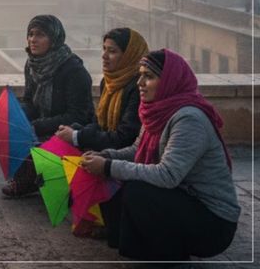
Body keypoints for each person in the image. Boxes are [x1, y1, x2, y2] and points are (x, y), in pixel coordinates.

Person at [82, 49, 239, 261]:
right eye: (140, 75)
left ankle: (168, 254)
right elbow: (137, 150)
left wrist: (108, 166)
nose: (140, 83)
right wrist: (107, 156)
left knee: (138, 191)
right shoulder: (158, 110)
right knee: (116, 178)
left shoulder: (189, 119)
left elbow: (167, 174)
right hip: (185, 200)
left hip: (213, 222)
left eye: (149, 76)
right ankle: (127, 239)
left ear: (169, 81)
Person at [0, 15, 94, 197]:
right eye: (30, 34)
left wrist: (38, 125)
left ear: (54, 39)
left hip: (70, 130)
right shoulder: (32, 64)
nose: (33, 40)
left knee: (34, 137)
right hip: (43, 124)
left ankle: (34, 181)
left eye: (40, 35)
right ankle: (26, 179)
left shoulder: (74, 71)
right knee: (14, 126)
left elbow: (78, 116)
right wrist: (16, 116)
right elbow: (30, 101)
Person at [55, 28, 148, 151]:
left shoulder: (139, 87)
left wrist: (77, 136)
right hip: (103, 150)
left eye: (112, 51)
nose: (104, 56)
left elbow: (125, 137)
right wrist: (75, 130)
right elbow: (98, 124)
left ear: (129, 55)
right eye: (104, 49)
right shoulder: (108, 82)